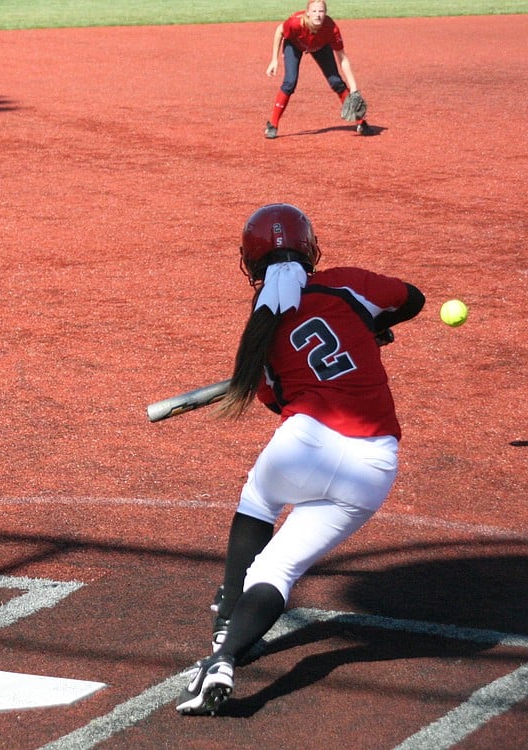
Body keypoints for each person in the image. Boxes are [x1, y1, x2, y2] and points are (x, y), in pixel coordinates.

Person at [175, 204, 424, 716]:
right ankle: (223, 657)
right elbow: (412, 299)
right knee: (281, 567)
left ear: (250, 263)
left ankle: (226, 621)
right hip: (375, 464)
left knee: (259, 502)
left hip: (304, 440)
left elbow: (275, 400)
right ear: (311, 249)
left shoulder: (259, 334)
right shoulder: (347, 286)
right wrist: (375, 326)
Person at [264, 1, 371, 139]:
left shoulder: (331, 28)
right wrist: (274, 59)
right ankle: (273, 125)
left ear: (325, 13)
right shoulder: (296, 23)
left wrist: (354, 89)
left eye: (321, 11)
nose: (318, 15)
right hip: (294, 44)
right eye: (314, 11)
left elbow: (343, 59)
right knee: (290, 82)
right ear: (307, 13)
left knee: (336, 82)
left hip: (320, 46)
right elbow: (279, 31)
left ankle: (361, 123)